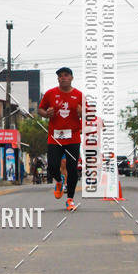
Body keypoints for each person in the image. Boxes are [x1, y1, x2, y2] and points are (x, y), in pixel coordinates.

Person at [38, 67, 83, 211]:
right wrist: (47, 114)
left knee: (72, 168)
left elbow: (88, 114)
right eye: (60, 76)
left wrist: (82, 112)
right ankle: (58, 181)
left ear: (71, 78)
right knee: (52, 166)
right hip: (55, 137)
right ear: (58, 79)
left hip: (73, 137)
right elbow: (41, 110)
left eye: (66, 75)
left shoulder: (79, 95)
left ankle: (70, 199)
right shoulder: (50, 94)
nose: (63, 78)